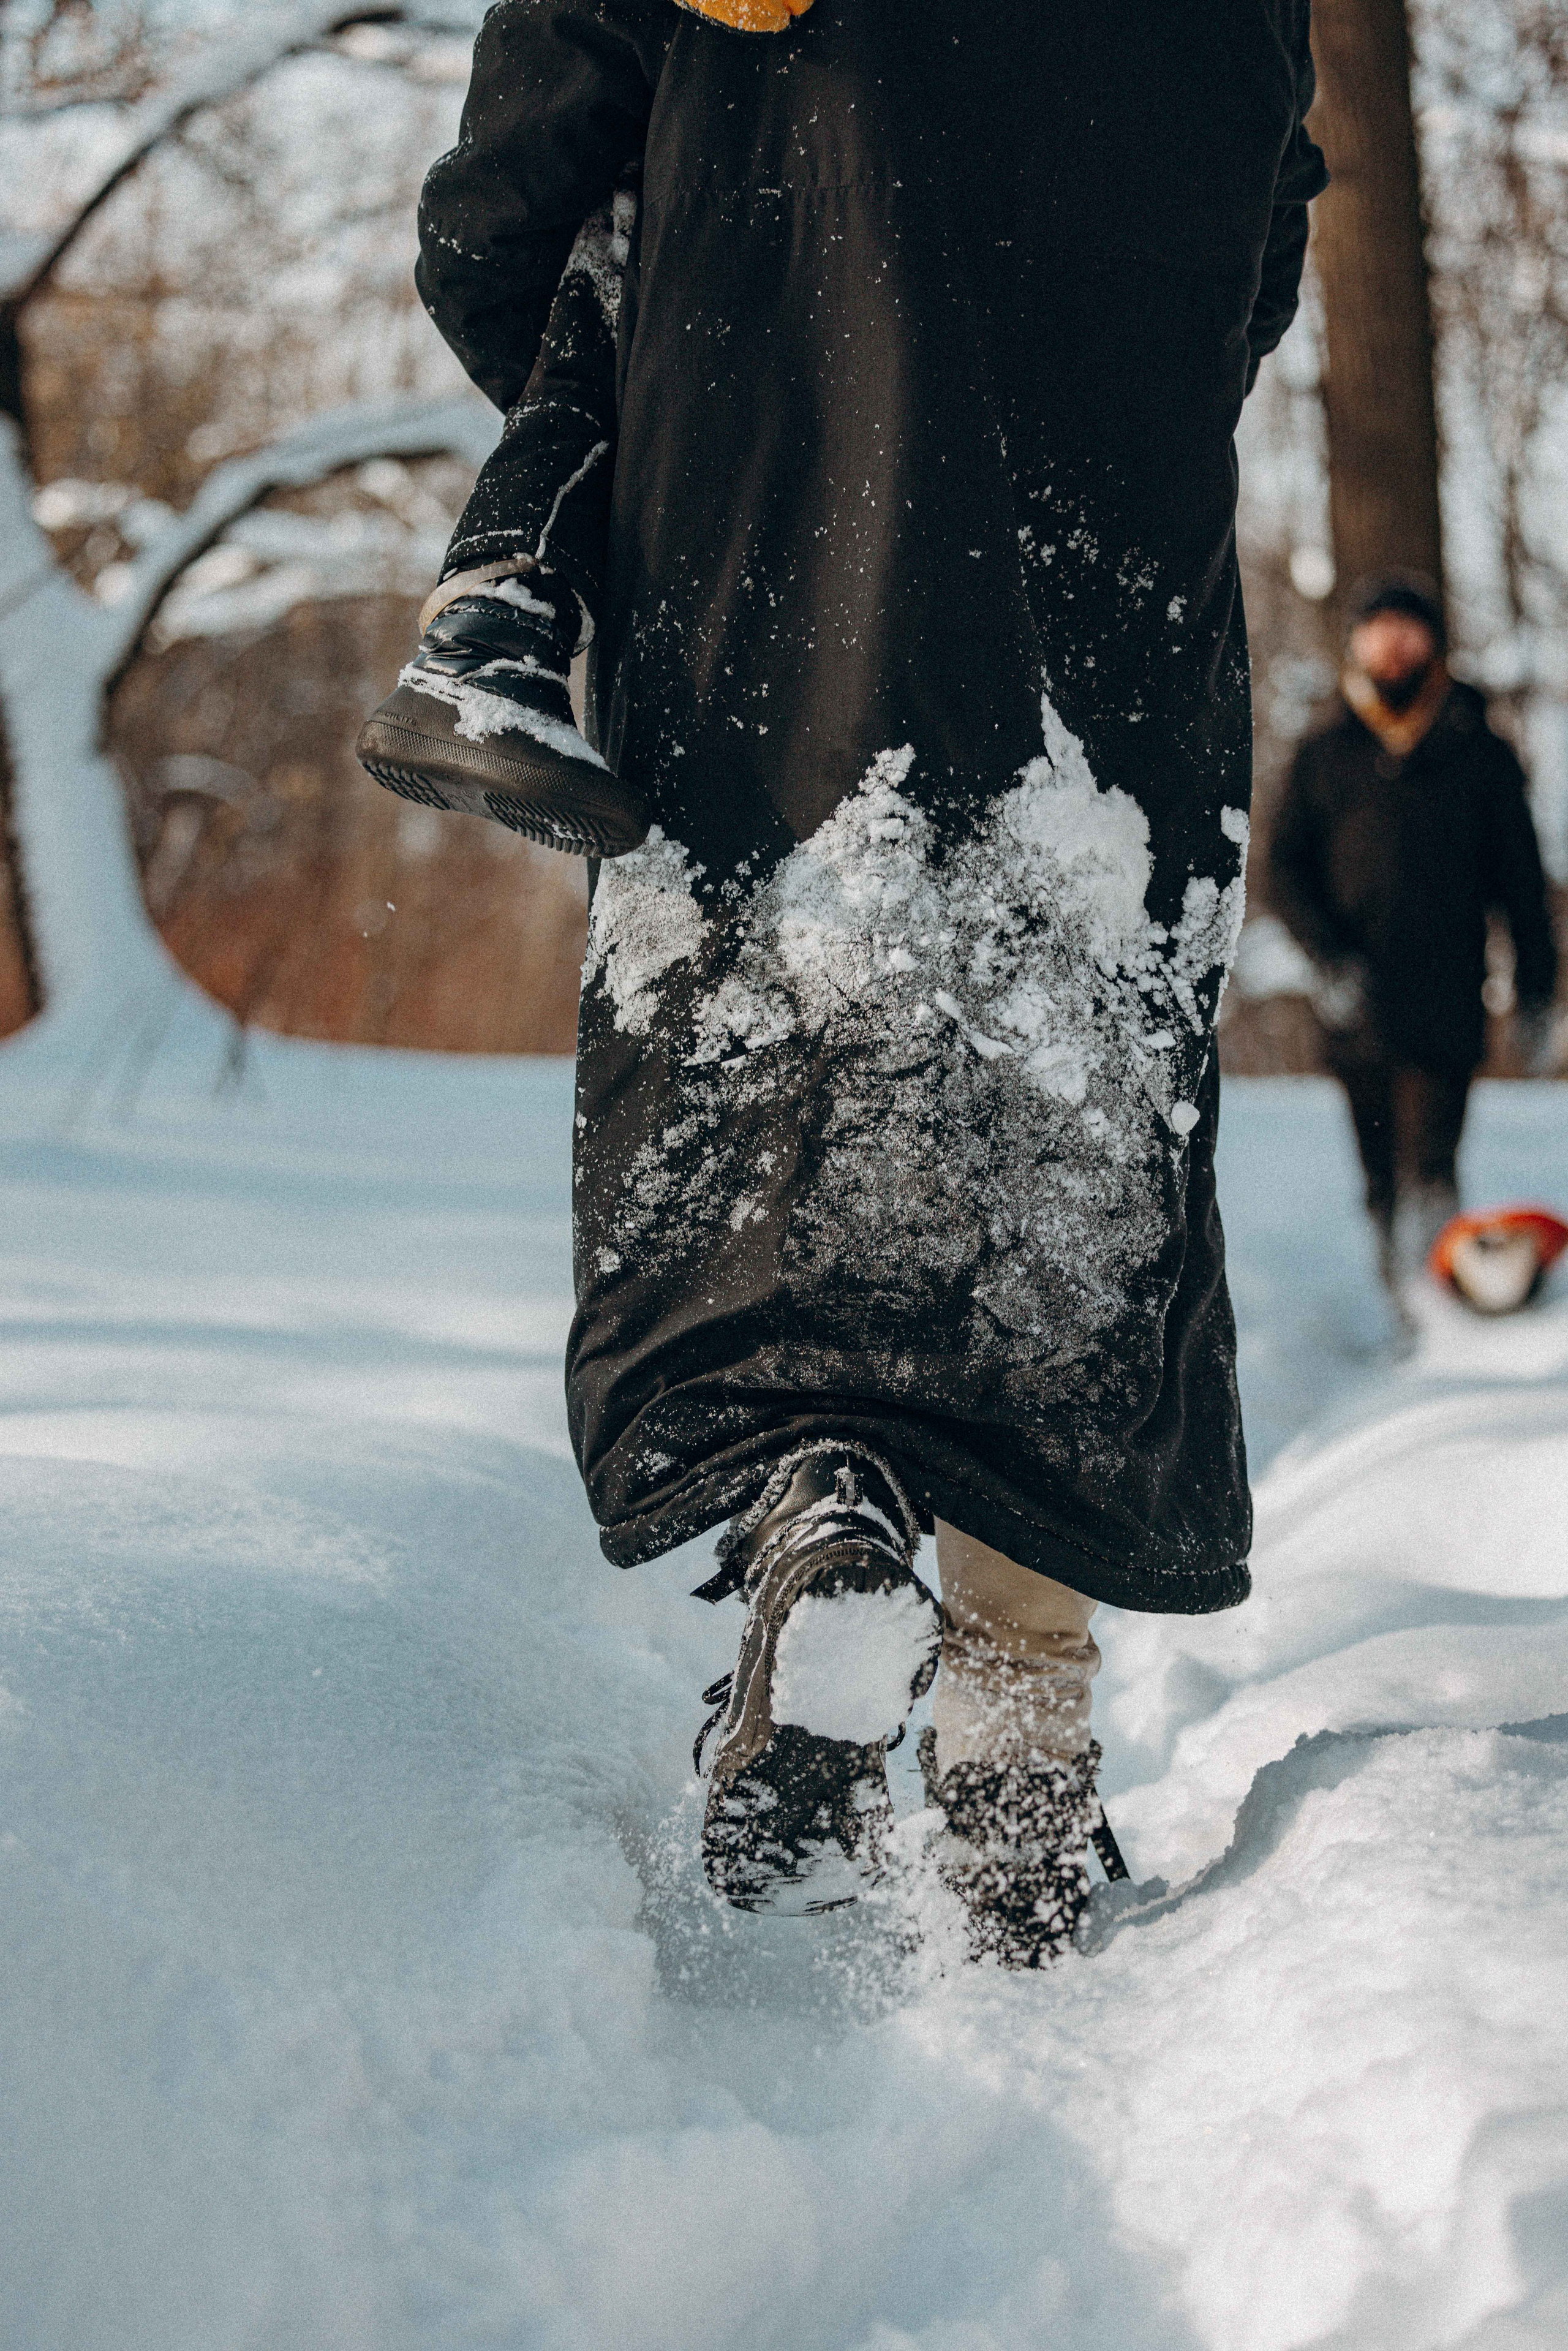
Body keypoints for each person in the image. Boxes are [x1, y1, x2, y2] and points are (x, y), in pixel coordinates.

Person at [360, 0, 1327, 1963]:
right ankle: (1021, 1764)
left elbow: (504, 206)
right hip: (1107, 598)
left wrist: (646, 409)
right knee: (1055, 1134)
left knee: (777, 1091)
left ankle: (822, 1514)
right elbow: (1261, 231)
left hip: (767, 534)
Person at [1270, 575, 1558, 1296]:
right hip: (1355, 994)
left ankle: (1442, 1305)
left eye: (1408, 629)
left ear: (1431, 643)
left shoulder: (1479, 749)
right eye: (1378, 629)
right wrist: (1325, 961)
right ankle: (1392, 1294)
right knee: (1377, 1169)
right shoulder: (1323, 751)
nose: (1392, 644)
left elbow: (1522, 884)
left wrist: (1536, 990)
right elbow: (1282, 868)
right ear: (1357, 643)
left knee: (1433, 1161)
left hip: (1449, 990)